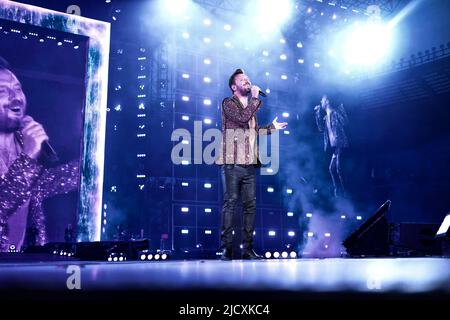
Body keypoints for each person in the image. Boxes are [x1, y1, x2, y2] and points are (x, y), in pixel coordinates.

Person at [0, 57, 79, 252]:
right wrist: (28, 159)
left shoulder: (23, 142)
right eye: (3, 91)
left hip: (25, 264)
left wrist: (87, 161)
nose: (16, 98)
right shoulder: (28, 153)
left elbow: (45, 185)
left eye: (18, 89)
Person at [216, 69, 287, 260]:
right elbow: (241, 119)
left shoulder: (251, 109)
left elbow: (253, 131)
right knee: (230, 204)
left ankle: (247, 249)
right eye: (243, 80)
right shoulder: (227, 103)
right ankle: (226, 249)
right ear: (233, 87)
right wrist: (255, 99)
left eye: (248, 80)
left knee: (250, 207)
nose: (248, 82)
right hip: (231, 162)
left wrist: (272, 128)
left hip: (249, 164)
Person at [314, 94, 349, 197]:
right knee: (331, 169)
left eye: (322, 99)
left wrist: (341, 109)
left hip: (341, 144)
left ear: (327, 101)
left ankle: (344, 192)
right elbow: (320, 128)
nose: (321, 101)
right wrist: (317, 114)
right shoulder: (325, 118)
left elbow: (345, 122)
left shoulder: (335, 112)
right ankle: (337, 191)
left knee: (338, 168)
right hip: (334, 147)